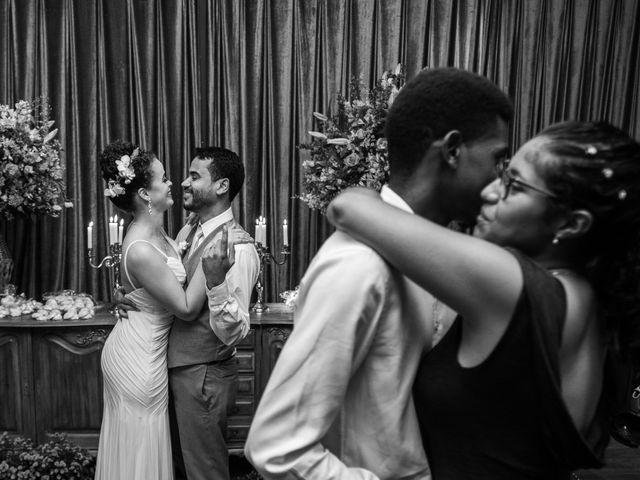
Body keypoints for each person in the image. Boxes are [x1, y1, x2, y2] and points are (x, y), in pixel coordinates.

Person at [326, 121, 640, 479]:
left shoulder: (513, 285)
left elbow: (347, 208)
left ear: (571, 224)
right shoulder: (593, 298)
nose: (490, 191)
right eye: (502, 174)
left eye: (514, 186)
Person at [245, 67, 513, 479]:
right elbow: (278, 448)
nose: (499, 184)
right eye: (497, 160)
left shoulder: (441, 257)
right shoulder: (360, 266)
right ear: (453, 150)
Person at [95, 141, 249, 480]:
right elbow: (184, 305)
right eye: (165, 178)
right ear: (145, 194)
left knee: (167, 452)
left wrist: (131, 289)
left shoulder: (180, 233)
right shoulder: (159, 241)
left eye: (189, 175)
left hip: (168, 357)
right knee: (143, 445)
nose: (173, 183)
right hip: (139, 354)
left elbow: (164, 280)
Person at [168, 146, 260, 480]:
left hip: (204, 374)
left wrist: (217, 281)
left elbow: (235, 332)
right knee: (182, 466)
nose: (183, 183)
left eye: (194, 176)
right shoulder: (188, 232)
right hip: (179, 369)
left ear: (221, 186)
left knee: (205, 471)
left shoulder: (238, 247)